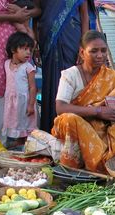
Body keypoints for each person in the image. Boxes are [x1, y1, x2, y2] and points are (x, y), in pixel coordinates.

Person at [53, 31, 115, 173]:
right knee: (68, 119)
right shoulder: (70, 75)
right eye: (94, 51)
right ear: (82, 53)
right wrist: (97, 111)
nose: (100, 55)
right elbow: (60, 107)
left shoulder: (113, 77)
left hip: (106, 125)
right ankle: (74, 169)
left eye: (103, 50)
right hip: (80, 124)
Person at [0, 0, 40, 143]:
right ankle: (1, 142)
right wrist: (13, 17)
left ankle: (27, 140)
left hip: (21, 47)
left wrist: (22, 13)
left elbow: (37, 9)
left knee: (23, 88)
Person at [37, 0, 95, 133]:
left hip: (73, 39)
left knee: (73, 81)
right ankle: (51, 129)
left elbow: (85, 16)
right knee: (52, 81)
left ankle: (73, 131)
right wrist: (34, 38)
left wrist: (84, 46)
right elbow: (37, 12)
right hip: (48, 39)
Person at [3, 32, 37, 149]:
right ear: (13, 50)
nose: (28, 52)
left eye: (30, 49)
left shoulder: (28, 67)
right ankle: (17, 143)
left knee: (25, 123)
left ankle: (26, 144)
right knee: (15, 123)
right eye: (24, 49)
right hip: (12, 102)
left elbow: (33, 87)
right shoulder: (6, 64)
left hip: (24, 102)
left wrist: (31, 105)